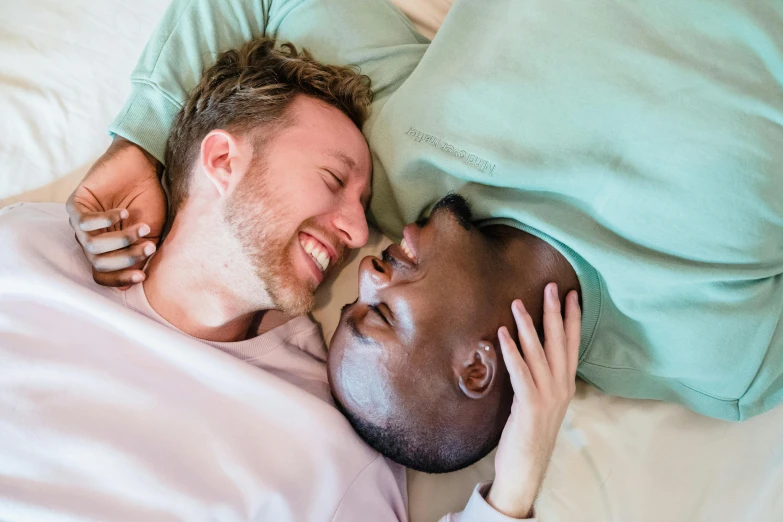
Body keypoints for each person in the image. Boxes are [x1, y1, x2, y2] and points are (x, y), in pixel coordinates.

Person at [65, 0, 783, 516]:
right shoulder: (723, 361)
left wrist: (144, 139)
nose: (365, 264)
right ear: (475, 368)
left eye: (355, 297)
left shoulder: (394, 167)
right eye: (376, 317)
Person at [1, 34, 571, 522]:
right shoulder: (26, 253)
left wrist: (514, 487)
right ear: (222, 160)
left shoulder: (331, 435)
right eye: (331, 179)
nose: (355, 232)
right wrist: (137, 140)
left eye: (362, 205)